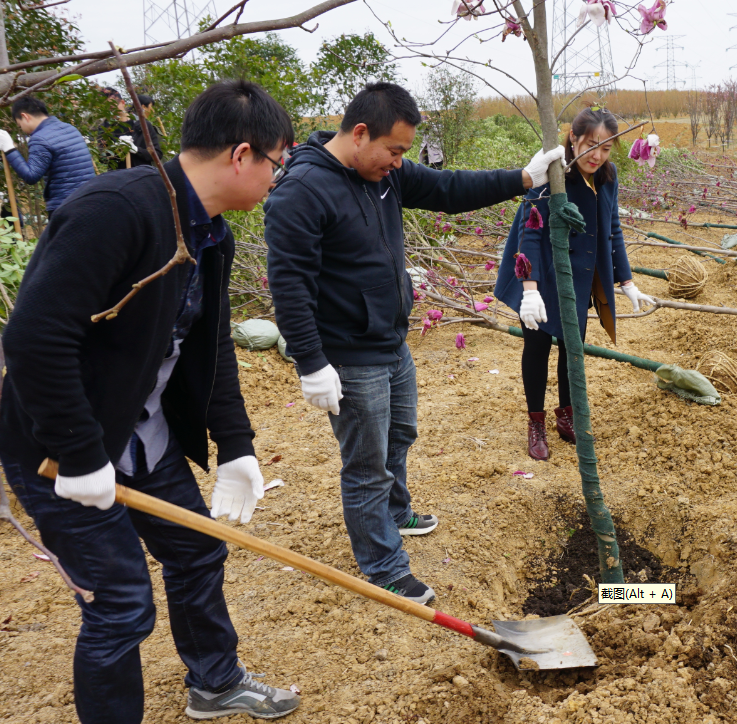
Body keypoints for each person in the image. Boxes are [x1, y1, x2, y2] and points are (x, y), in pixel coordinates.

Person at [0, 80, 301, 723]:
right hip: (62, 444)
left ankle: (215, 683)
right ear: (242, 154)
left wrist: (236, 445)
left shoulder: (209, 231)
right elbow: (32, 339)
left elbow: (207, 343)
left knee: (197, 551)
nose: (280, 177)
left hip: (143, 430)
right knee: (121, 605)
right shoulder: (118, 209)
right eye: (280, 162)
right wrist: (81, 455)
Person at [264, 82, 564, 605]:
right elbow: (288, 284)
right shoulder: (302, 190)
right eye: (395, 150)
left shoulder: (385, 174)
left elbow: (449, 189)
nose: (401, 162)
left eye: (405, 152)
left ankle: (395, 511)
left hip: (390, 339)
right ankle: (381, 564)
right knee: (365, 464)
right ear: (360, 134)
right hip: (348, 354)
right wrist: (312, 362)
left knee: (400, 433)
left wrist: (523, 178)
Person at [493, 108, 655, 461]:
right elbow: (530, 232)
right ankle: (535, 422)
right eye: (591, 145)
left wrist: (625, 281)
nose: (597, 156)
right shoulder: (552, 175)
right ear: (572, 137)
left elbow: (612, 230)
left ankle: (566, 414)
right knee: (536, 347)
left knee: (572, 346)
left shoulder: (607, 179)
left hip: (578, 274)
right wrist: (530, 289)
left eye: (607, 149)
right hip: (542, 270)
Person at [0, 95, 97, 216]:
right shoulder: (69, 128)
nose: (22, 129)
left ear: (25, 117)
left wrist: (9, 148)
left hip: (66, 206)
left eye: (20, 125)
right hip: (88, 198)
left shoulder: (40, 138)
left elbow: (31, 176)